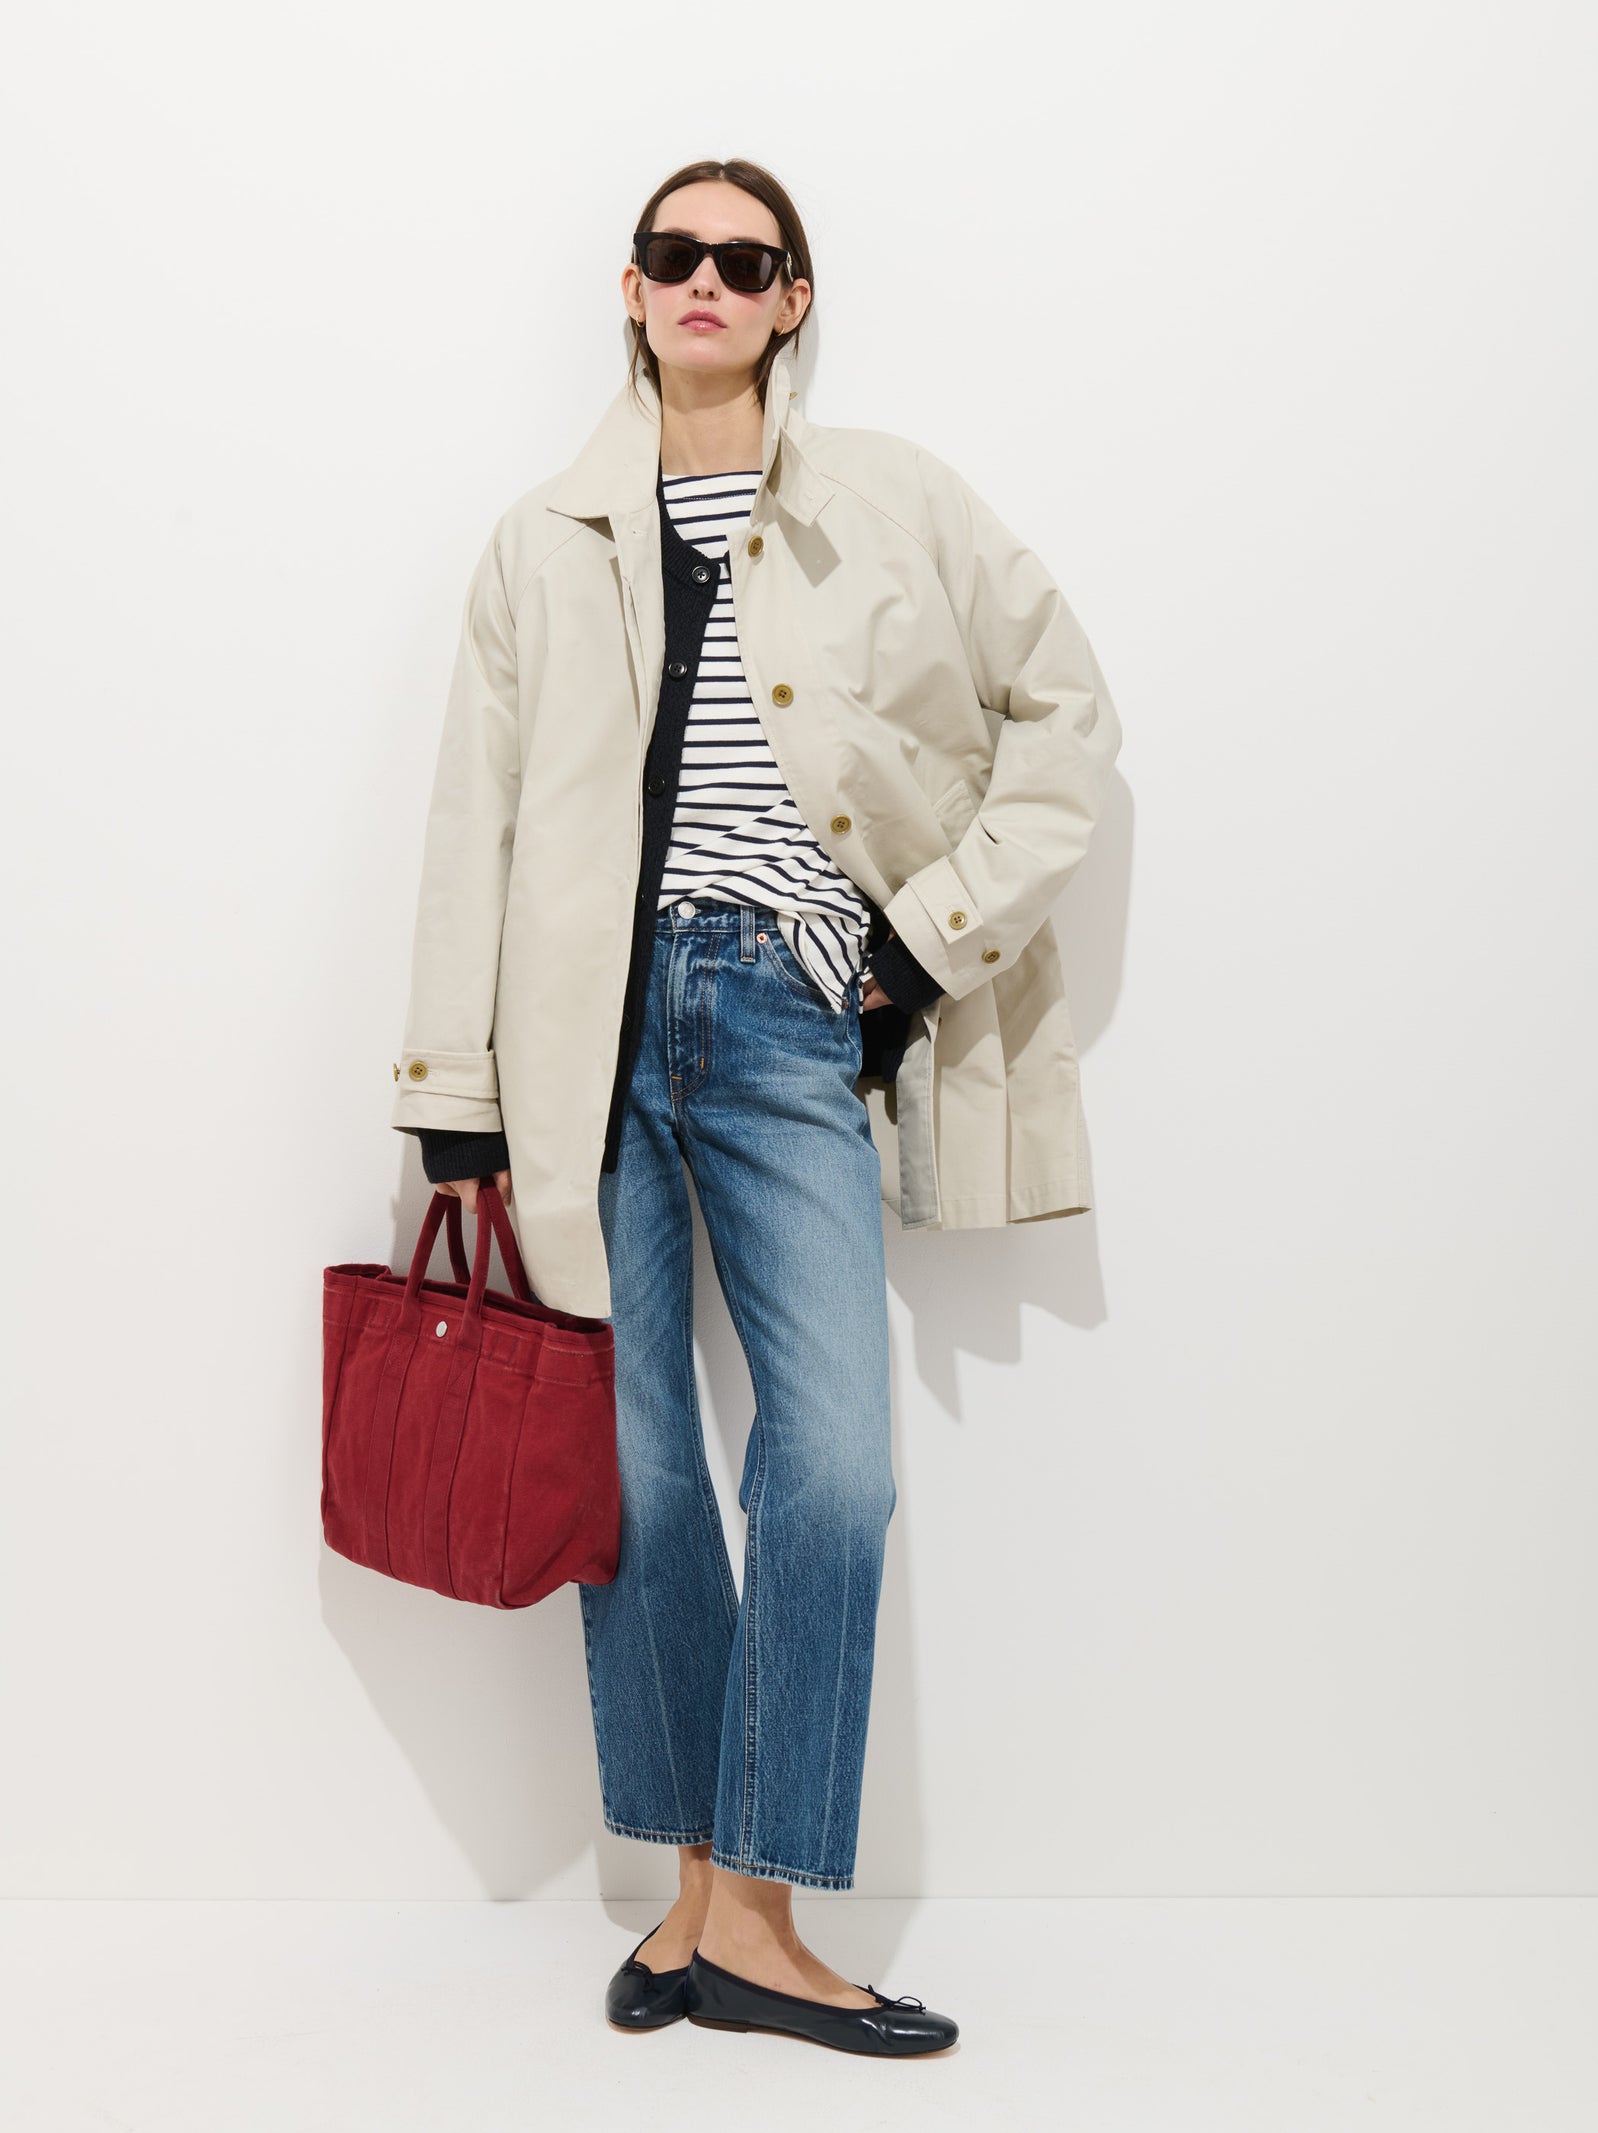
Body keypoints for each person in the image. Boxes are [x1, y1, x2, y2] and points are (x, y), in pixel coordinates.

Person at [390, 157, 1122, 2057]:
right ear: (633, 291)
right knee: (628, 1474)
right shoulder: (541, 540)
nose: (704, 279)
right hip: (581, 1043)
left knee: (833, 1466)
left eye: (746, 257)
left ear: (793, 297)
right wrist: (456, 1098)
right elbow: (475, 819)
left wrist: (923, 938)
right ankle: (719, 1900)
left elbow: (1070, 718)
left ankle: (754, 1909)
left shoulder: (895, 500)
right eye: (673, 253)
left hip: (793, 1015)